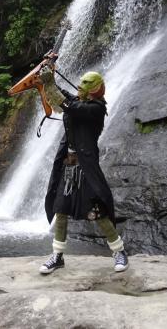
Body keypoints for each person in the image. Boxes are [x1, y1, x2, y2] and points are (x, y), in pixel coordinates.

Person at [37, 67, 128, 274]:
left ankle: (119, 251)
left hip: (85, 169)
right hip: (68, 167)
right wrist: (47, 76)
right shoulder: (80, 102)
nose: (79, 86)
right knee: (60, 211)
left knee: (98, 212)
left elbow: (67, 105)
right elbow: (66, 98)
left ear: (95, 89)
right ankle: (57, 257)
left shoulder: (95, 109)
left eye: (85, 84)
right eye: (81, 83)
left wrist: (49, 83)